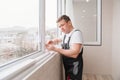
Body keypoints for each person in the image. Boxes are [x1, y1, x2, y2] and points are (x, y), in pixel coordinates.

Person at [45, 15, 83, 80]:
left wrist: (55, 48)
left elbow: (75, 53)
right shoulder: (66, 34)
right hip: (68, 65)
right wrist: (51, 41)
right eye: (59, 27)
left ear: (69, 23)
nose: (61, 28)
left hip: (75, 66)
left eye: (62, 25)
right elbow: (58, 39)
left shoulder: (76, 34)